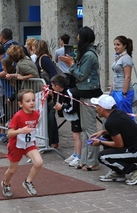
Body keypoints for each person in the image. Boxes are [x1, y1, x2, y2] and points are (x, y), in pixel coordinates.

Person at [59, 26, 103, 171]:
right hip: (84, 93)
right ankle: (84, 159)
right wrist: (72, 61)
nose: (77, 39)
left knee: (90, 129)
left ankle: (93, 161)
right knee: (84, 128)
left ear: (83, 38)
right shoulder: (85, 53)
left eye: (78, 36)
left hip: (90, 94)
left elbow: (81, 75)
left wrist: (71, 64)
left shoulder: (89, 55)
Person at [89, 95, 137, 185]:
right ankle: (118, 172)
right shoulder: (118, 113)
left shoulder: (110, 122)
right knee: (106, 138)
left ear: (102, 109)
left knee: (103, 157)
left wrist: (99, 142)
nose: (95, 108)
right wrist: (103, 132)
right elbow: (119, 130)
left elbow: (119, 145)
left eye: (97, 106)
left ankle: (135, 170)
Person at [1, 89, 43, 197]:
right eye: (28, 101)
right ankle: (6, 184)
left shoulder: (36, 114)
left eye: (33, 100)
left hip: (29, 144)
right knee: (12, 170)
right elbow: (9, 133)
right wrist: (21, 131)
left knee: (38, 162)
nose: (32, 103)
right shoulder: (18, 116)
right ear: (20, 104)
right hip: (16, 145)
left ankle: (28, 182)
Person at [51, 75, 82, 167]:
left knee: (76, 136)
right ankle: (75, 154)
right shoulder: (62, 93)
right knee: (74, 135)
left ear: (57, 86)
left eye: (52, 85)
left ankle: (78, 156)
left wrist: (62, 107)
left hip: (76, 116)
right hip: (72, 117)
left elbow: (73, 107)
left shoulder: (69, 93)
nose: (51, 88)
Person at [34, 39, 59, 148]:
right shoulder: (41, 58)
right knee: (47, 115)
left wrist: (49, 89)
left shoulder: (44, 59)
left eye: (35, 47)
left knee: (50, 115)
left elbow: (53, 73)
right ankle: (48, 139)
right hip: (44, 91)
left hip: (48, 91)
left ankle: (53, 140)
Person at [109, 35, 134, 118]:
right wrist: (111, 91)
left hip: (123, 91)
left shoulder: (126, 58)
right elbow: (115, 76)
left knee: (126, 116)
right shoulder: (118, 58)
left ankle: (130, 131)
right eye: (114, 44)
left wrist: (124, 93)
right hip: (116, 90)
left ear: (125, 46)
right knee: (117, 116)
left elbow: (127, 77)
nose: (115, 47)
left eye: (118, 45)